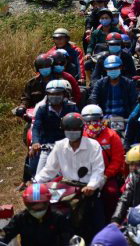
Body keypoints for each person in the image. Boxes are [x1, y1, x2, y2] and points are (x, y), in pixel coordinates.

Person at [34, 113, 106, 242]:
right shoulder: (60, 146)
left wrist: (91, 186)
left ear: (81, 129)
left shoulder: (93, 145)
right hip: (66, 188)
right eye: (68, 129)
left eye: (75, 129)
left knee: (96, 224)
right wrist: (35, 182)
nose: (72, 132)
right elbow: (49, 169)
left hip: (87, 189)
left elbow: (98, 171)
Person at [82, 104, 125, 222]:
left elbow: (118, 159)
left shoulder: (112, 135)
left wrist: (106, 176)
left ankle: (111, 221)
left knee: (111, 193)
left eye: (96, 120)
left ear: (102, 119)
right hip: (85, 175)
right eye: (88, 120)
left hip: (107, 176)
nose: (92, 123)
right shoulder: (80, 136)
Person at [30, 79, 78, 176]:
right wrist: (35, 142)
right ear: (47, 95)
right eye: (51, 94)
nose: (55, 96)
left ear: (64, 94)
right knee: (38, 176)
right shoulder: (42, 109)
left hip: (68, 146)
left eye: (58, 93)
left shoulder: (72, 108)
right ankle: (28, 179)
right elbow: (36, 128)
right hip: (46, 147)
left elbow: (79, 125)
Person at [0, 183, 74, 246]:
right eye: (33, 205)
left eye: (41, 205)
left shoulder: (58, 218)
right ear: (27, 204)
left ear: (47, 202)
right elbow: (6, 234)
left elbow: (67, 239)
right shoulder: (20, 218)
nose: (37, 208)